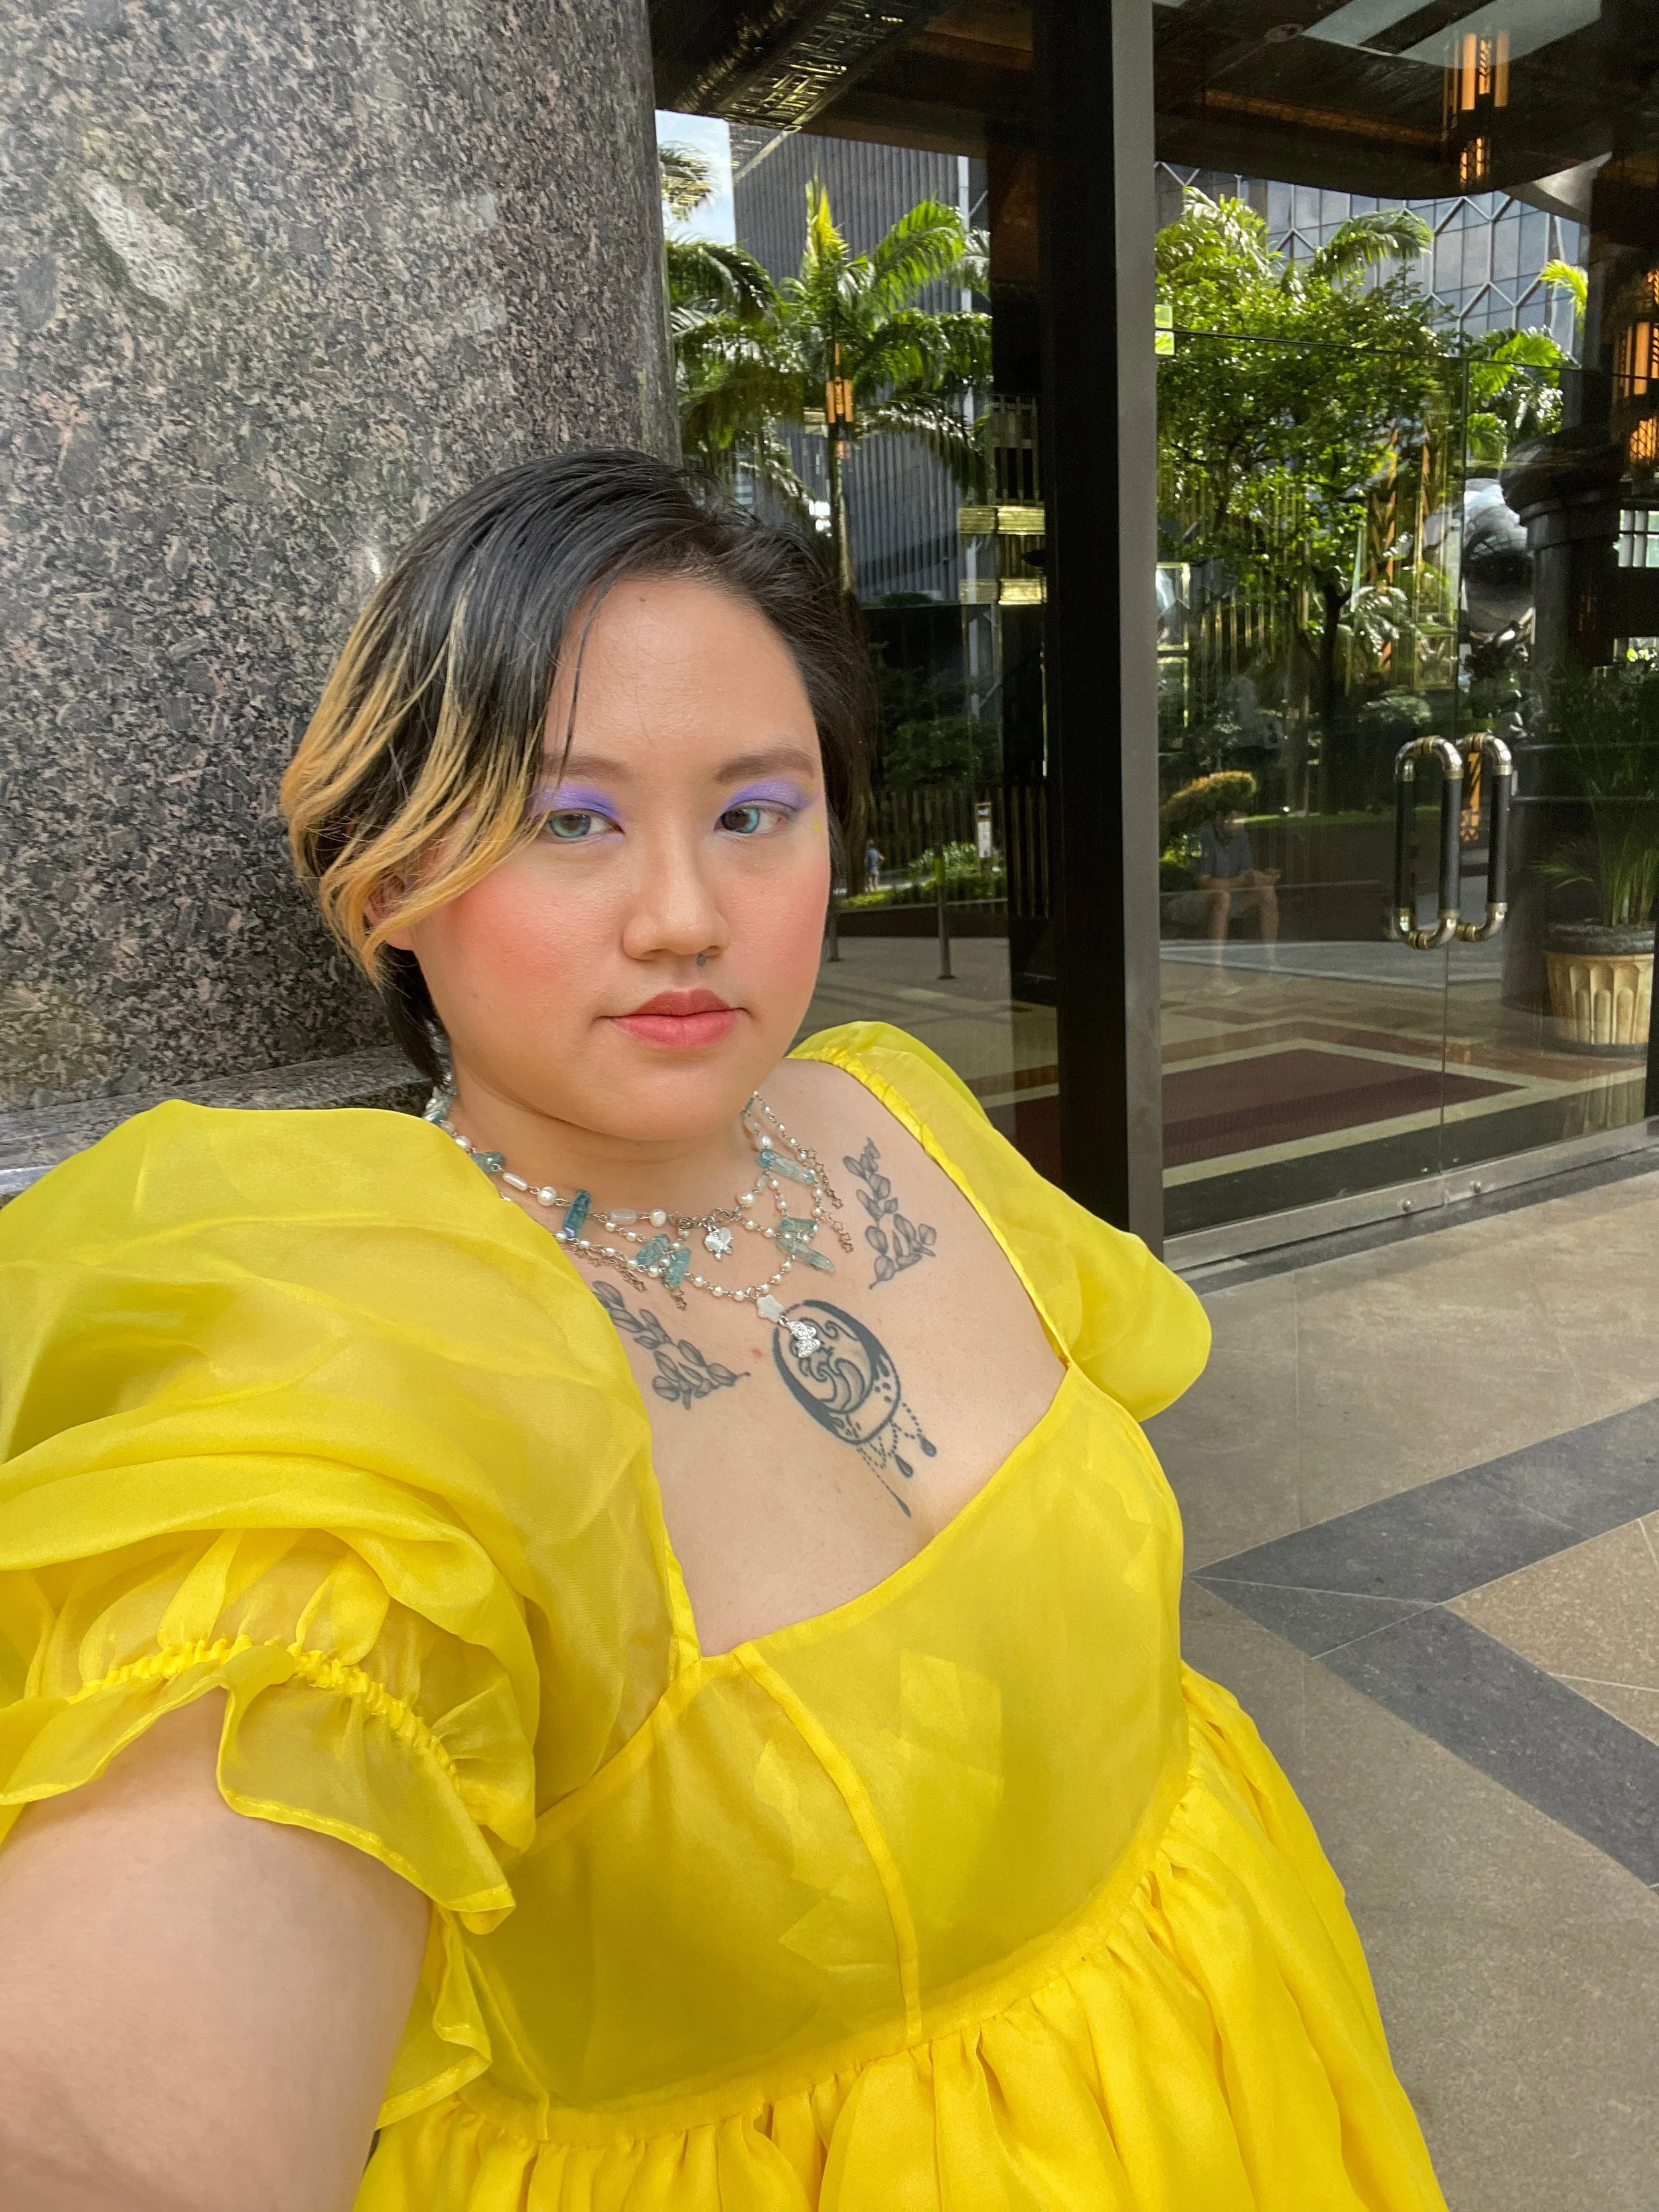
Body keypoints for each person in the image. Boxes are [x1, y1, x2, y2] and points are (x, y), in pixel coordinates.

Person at [0, 453, 1445, 2212]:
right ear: (386, 882)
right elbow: (124, 2081)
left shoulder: (895, 1114)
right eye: (568, 818)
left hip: (1226, 2048)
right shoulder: (372, 1341)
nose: (684, 913)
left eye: (756, 811)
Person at [1194, 802, 1279, 976]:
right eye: (1234, 821)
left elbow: (1244, 875)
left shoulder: (1241, 836)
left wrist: (1260, 878)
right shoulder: (1204, 835)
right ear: (1220, 817)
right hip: (1195, 899)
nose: (1239, 826)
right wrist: (1241, 880)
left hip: (1231, 895)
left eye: (1242, 821)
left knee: (1267, 892)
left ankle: (1271, 964)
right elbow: (1203, 883)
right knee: (1222, 898)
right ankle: (1216, 972)